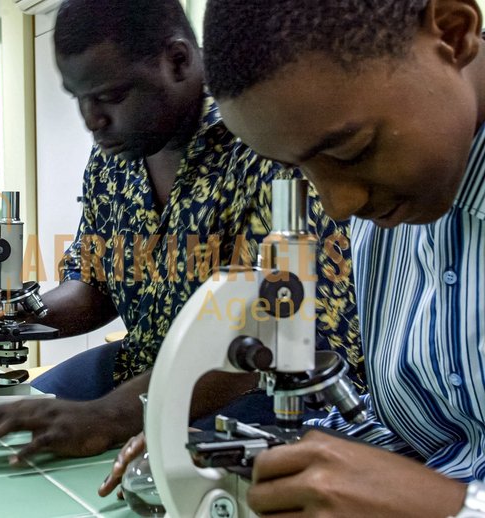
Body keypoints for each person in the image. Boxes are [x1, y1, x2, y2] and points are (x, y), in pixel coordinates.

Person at [0, 0, 362, 472]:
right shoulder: (114, 160)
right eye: (79, 98)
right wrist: (15, 316)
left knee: (154, 478)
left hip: (273, 390)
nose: (91, 119)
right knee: (21, 416)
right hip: (145, 368)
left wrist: (109, 417)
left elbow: (271, 338)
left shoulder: (262, 136)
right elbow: (93, 286)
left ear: (177, 60)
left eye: (110, 96)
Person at [197, 0, 485, 516]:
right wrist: (262, 459)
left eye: (351, 151)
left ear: (453, 33)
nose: (337, 205)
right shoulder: (394, 210)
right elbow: (426, 432)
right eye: (301, 170)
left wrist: (452, 507)